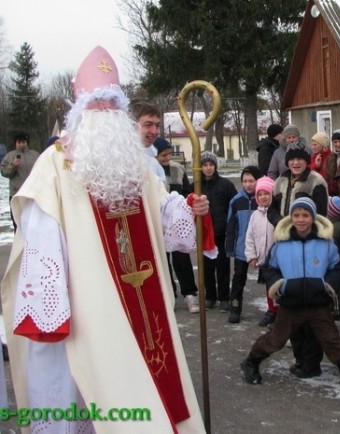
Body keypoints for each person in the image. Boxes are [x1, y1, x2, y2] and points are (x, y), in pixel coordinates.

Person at [0, 46, 207, 433]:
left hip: (141, 302)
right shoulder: (56, 165)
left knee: (142, 379)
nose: (106, 113)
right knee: (78, 391)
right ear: (79, 111)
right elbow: (41, 236)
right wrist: (52, 303)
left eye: (113, 104)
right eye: (98, 104)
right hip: (83, 307)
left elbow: (160, 210)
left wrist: (186, 209)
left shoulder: (134, 165)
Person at [239, 197, 340, 399]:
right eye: (296, 215)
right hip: (291, 302)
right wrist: (281, 285)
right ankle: (251, 362)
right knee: (276, 339)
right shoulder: (281, 243)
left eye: (305, 215)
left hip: (318, 302)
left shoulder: (326, 242)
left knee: (332, 340)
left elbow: (339, 267)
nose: (301, 220)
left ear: (313, 217)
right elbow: (270, 269)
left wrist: (328, 286)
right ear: (291, 217)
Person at [271, 147, 329, 378]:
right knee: (292, 302)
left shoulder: (316, 181)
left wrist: (301, 226)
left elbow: (321, 213)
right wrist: (282, 223)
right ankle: (299, 358)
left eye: (300, 160)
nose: (295, 163)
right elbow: (271, 210)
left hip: (308, 243)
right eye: (292, 160)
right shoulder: (281, 181)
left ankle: (312, 362)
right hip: (286, 240)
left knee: (310, 309)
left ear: (307, 162)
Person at [154, 137, 200, 314]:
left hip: (177, 222)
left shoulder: (177, 169)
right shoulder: (151, 170)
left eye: (168, 154)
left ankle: (190, 294)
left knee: (182, 259)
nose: (167, 158)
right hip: (159, 223)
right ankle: (169, 295)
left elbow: (187, 193)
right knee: (163, 261)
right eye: (163, 155)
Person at [225, 166, 263, 323]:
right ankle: (235, 307)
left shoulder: (263, 199)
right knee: (239, 277)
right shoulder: (236, 201)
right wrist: (230, 248)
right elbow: (231, 226)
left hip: (261, 246)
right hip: (242, 247)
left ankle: (273, 311)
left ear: (258, 181)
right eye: (245, 181)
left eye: (251, 181)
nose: (248, 184)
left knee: (268, 278)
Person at [201, 151, 238, 311]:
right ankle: (210, 296)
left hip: (222, 232)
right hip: (204, 233)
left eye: (211, 165)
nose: (208, 168)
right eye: (205, 165)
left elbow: (234, 205)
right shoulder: (196, 185)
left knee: (222, 266)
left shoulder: (225, 185)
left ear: (215, 166)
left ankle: (224, 297)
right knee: (206, 267)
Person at [244, 176, 279, 327]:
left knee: (278, 287)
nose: (263, 197)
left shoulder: (276, 214)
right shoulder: (255, 216)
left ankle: (280, 313)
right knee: (268, 287)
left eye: (267, 193)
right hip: (263, 258)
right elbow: (250, 236)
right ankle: (271, 311)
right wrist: (251, 255)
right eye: (260, 194)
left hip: (277, 259)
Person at [0, 131, 40, 229]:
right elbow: (4, 172)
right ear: (16, 143)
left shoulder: (35, 155)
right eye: (19, 142)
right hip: (16, 195)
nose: (21, 144)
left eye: (24, 142)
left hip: (32, 195)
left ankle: (32, 244)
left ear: (27, 143)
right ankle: (19, 244)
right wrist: (13, 165)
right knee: (18, 224)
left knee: (33, 224)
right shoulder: (10, 156)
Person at [129, 101, 167, 187]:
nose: (155, 132)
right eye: (148, 125)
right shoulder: (118, 162)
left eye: (157, 126)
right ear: (132, 126)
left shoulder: (152, 163)